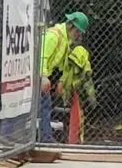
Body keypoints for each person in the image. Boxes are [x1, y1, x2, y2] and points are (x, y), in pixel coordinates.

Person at [39, 12, 93, 141]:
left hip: (40, 73)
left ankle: (44, 138)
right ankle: (45, 139)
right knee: (42, 105)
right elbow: (41, 57)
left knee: (42, 105)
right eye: (77, 31)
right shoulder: (54, 36)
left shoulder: (64, 39)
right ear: (70, 26)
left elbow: (63, 63)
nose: (78, 35)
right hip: (35, 73)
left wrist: (63, 80)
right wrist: (43, 76)